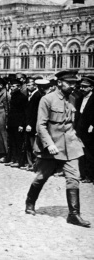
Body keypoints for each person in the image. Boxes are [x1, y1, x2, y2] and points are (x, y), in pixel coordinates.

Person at [25, 70, 90, 228]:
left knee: (74, 178)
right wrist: (49, 144)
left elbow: (71, 122)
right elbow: (40, 125)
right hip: (51, 147)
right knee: (41, 177)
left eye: (75, 83)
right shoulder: (47, 99)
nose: (73, 86)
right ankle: (30, 202)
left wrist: (75, 137)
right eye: (70, 83)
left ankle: (74, 214)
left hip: (70, 145)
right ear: (59, 82)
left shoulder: (73, 99)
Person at [23, 78, 48, 171]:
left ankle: (35, 165)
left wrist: (30, 124)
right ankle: (31, 164)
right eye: (27, 85)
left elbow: (35, 112)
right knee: (29, 145)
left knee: (34, 145)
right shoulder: (31, 95)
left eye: (30, 85)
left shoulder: (38, 96)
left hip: (32, 125)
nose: (29, 87)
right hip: (28, 123)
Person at [75, 75, 94, 183]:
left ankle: (90, 176)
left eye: (85, 87)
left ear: (91, 87)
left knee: (89, 153)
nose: (82, 89)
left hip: (90, 130)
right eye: (81, 86)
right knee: (81, 153)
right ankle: (82, 174)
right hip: (80, 128)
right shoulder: (79, 98)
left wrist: (93, 125)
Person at [6, 79, 28, 167]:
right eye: (11, 86)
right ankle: (13, 159)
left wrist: (21, 124)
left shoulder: (23, 97)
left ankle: (19, 161)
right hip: (12, 122)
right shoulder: (13, 96)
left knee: (19, 143)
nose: (12, 88)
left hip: (18, 124)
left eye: (13, 86)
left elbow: (24, 112)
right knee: (12, 142)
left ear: (18, 87)